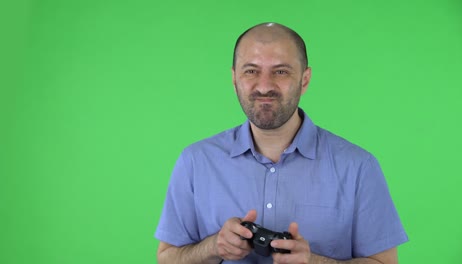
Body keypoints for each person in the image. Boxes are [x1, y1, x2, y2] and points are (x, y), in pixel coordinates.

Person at [155, 22, 408, 264]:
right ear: (234, 79)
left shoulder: (359, 167)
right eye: (251, 70)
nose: (264, 86)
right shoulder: (195, 162)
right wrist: (213, 247)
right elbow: (166, 259)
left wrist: (314, 262)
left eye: (281, 71)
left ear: (305, 80)